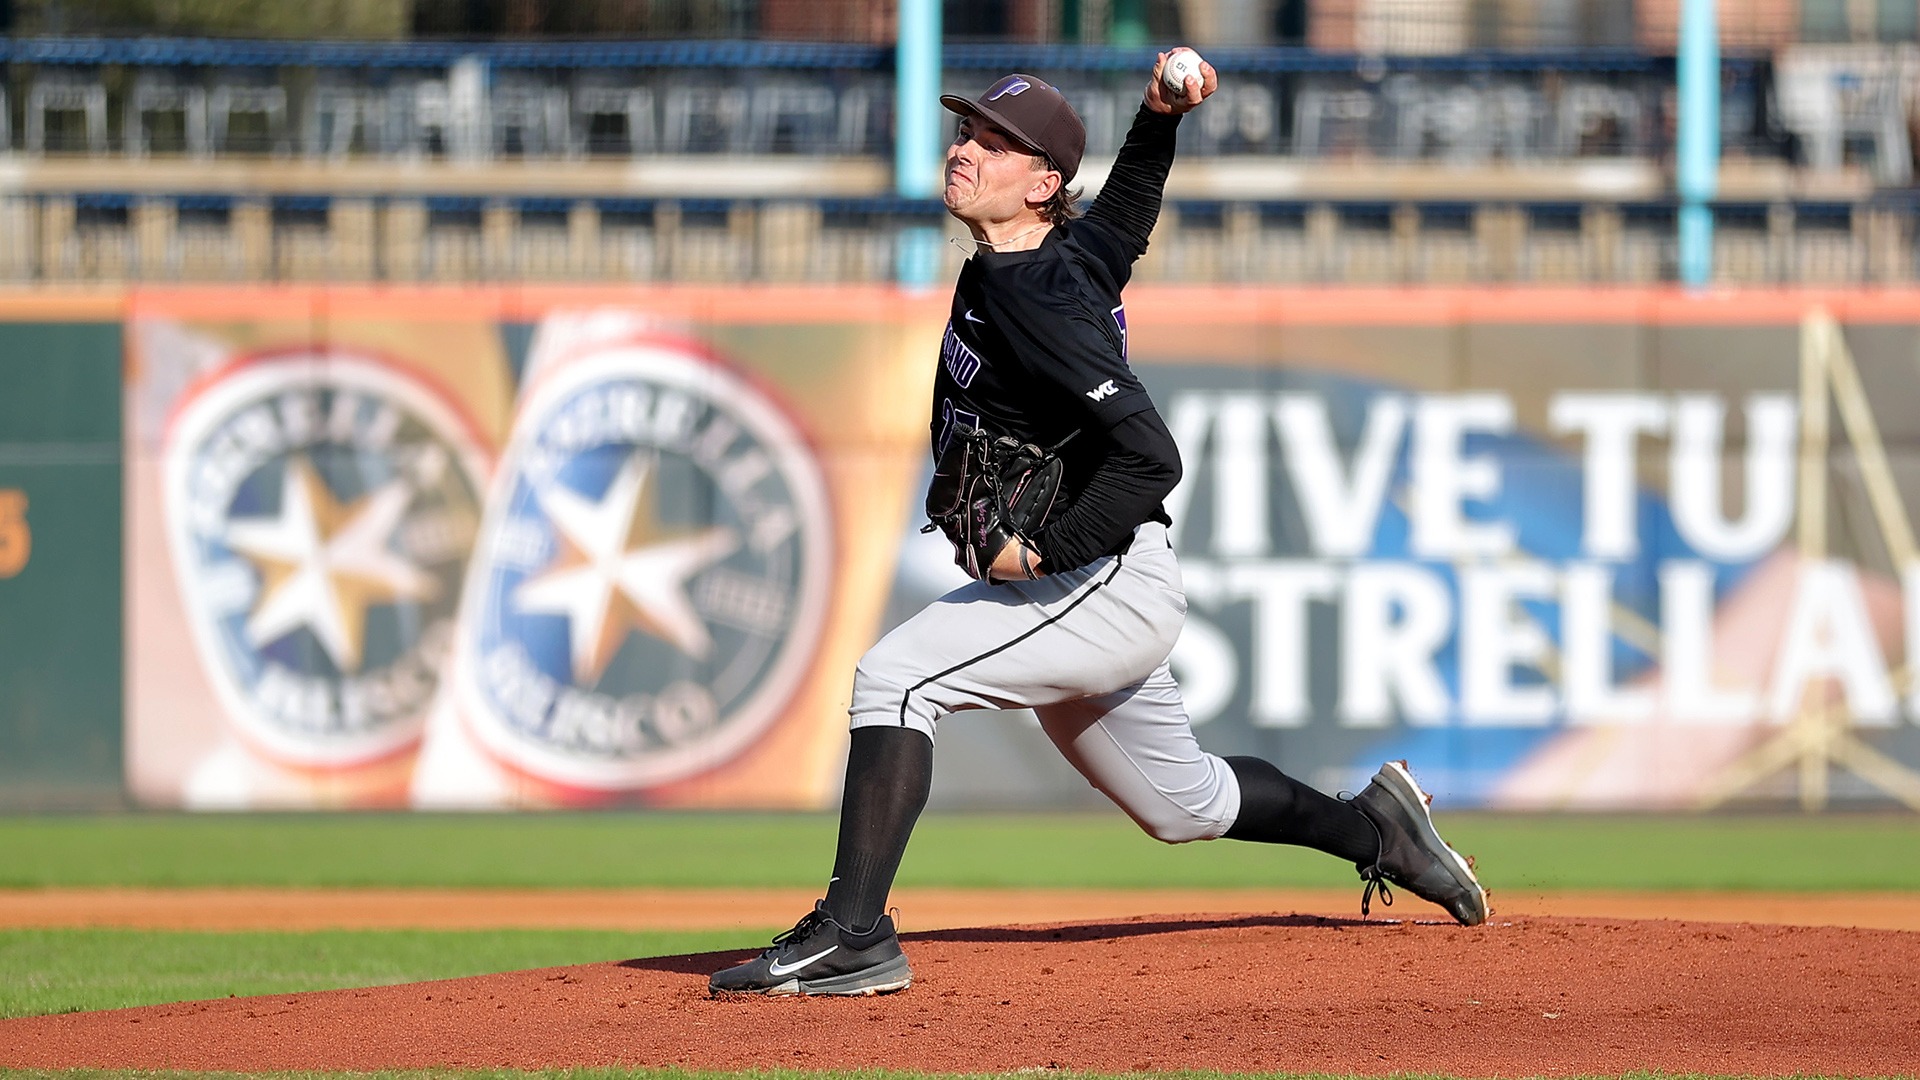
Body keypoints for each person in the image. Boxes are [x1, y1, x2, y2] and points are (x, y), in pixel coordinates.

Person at [709, 51, 1488, 997]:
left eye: (995, 144)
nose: (965, 151)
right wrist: (1158, 118)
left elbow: (1154, 457)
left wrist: (1045, 549)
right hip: (1102, 584)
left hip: (1098, 583)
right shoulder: (1057, 257)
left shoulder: (1035, 295)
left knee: (897, 679)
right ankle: (1381, 829)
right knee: (1182, 803)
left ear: (1042, 185)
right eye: (966, 132)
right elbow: (1121, 220)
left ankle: (854, 935)